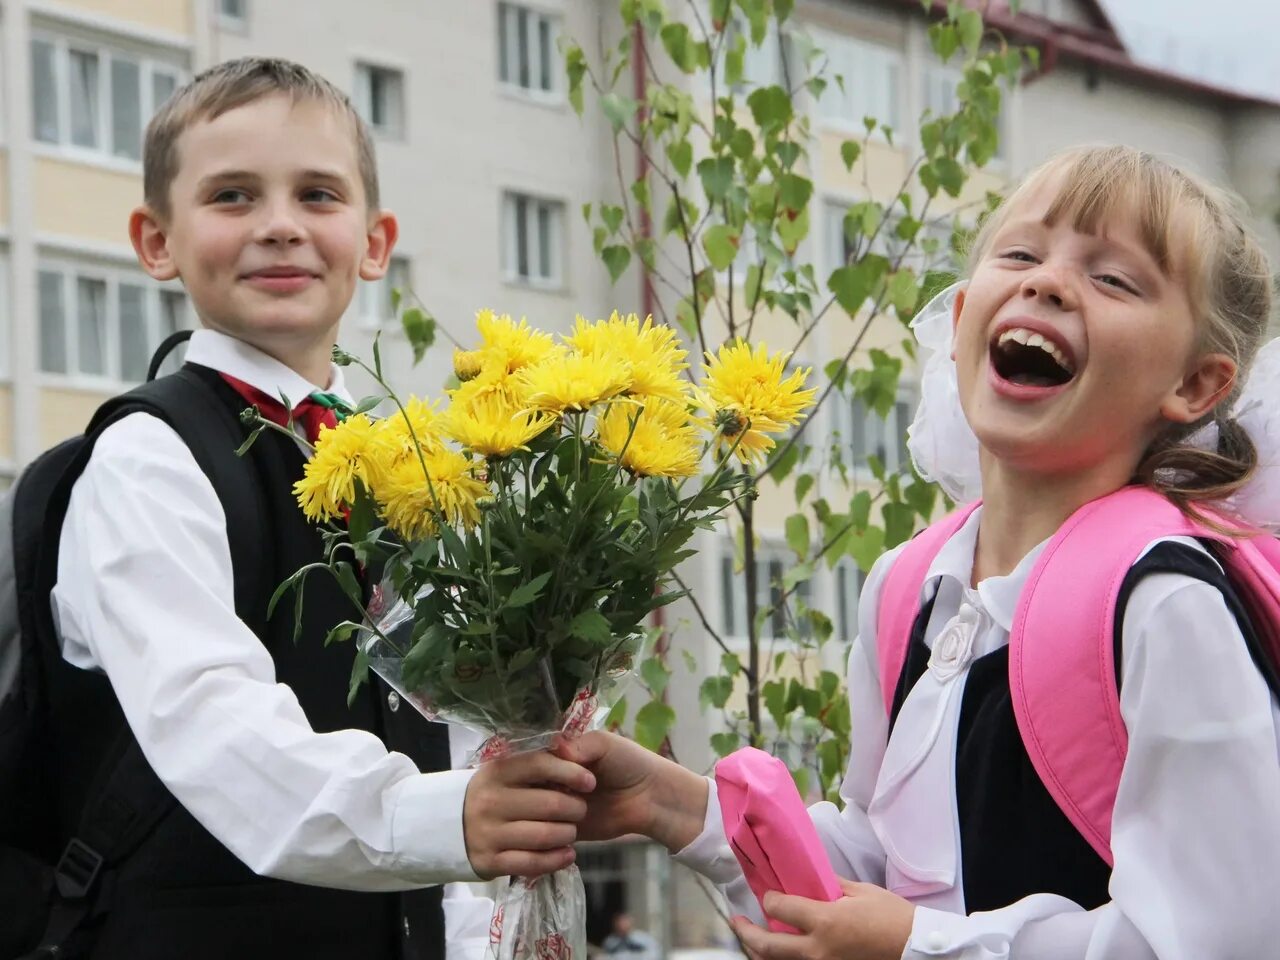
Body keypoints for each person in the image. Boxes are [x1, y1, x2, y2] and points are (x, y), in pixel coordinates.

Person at [563, 144, 1280, 959]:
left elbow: (1220, 938)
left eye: (1113, 278)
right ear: (965, 313)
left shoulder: (1168, 604)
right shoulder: (908, 588)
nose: (1045, 282)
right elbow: (889, 869)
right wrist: (674, 807)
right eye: (1019, 254)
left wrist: (913, 948)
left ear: (1196, 386)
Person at [46, 57, 592, 958]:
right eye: (230, 196)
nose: (279, 227)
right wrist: (444, 816)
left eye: (317, 195)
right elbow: (213, 725)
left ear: (374, 242)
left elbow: (452, 734)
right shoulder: (147, 459)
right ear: (156, 240)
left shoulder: (400, 468)